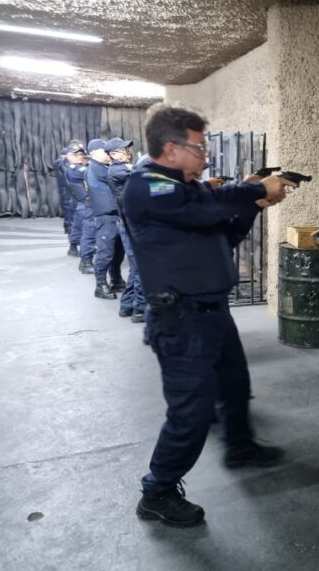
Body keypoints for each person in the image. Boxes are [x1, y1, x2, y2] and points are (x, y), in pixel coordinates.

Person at [123, 103, 295, 527]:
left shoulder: (189, 190)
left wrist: (255, 202)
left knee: (235, 387)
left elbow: (224, 233)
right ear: (170, 149)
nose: (206, 155)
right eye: (199, 148)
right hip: (181, 321)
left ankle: (240, 446)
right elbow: (208, 206)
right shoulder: (147, 186)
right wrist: (252, 189)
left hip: (213, 313)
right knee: (191, 413)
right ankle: (157, 491)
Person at [105, 137, 145, 322]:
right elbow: (141, 174)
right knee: (141, 268)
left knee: (136, 269)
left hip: (130, 223)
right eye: (123, 150)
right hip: (131, 225)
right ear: (113, 154)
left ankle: (127, 305)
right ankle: (140, 310)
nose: (127, 152)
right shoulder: (117, 170)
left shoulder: (123, 168)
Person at [86, 139, 125, 299]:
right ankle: (101, 285)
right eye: (105, 151)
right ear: (93, 153)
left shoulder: (103, 167)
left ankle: (116, 280)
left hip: (114, 215)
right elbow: (116, 178)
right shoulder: (96, 168)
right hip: (106, 217)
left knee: (118, 251)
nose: (108, 153)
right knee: (106, 252)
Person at [63, 145, 96, 273]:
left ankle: (73, 247)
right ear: (69, 156)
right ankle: (85, 259)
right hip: (84, 200)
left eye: (81, 154)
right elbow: (87, 173)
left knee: (78, 226)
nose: (80, 156)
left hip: (80, 201)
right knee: (88, 230)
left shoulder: (77, 167)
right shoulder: (75, 169)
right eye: (76, 154)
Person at [54, 146, 76, 245]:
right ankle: (72, 237)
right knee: (69, 213)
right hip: (66, 190)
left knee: (69, 213)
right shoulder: (60, 162)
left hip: (65, 189)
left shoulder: (60, 162)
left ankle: (69, 231)